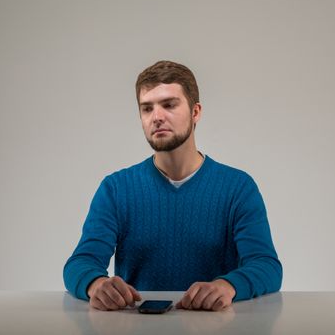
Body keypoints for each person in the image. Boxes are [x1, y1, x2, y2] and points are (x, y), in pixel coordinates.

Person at [63, 60, 283, 312]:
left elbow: (266, 265)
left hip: (215, 327)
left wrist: (227, 285)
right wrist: (96, 283)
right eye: (147, 109)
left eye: (169, 105)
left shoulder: (238, 187)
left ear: (195, 112)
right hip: (138, 327)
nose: (157, 117)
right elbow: (80, 263)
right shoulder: (116, 189)